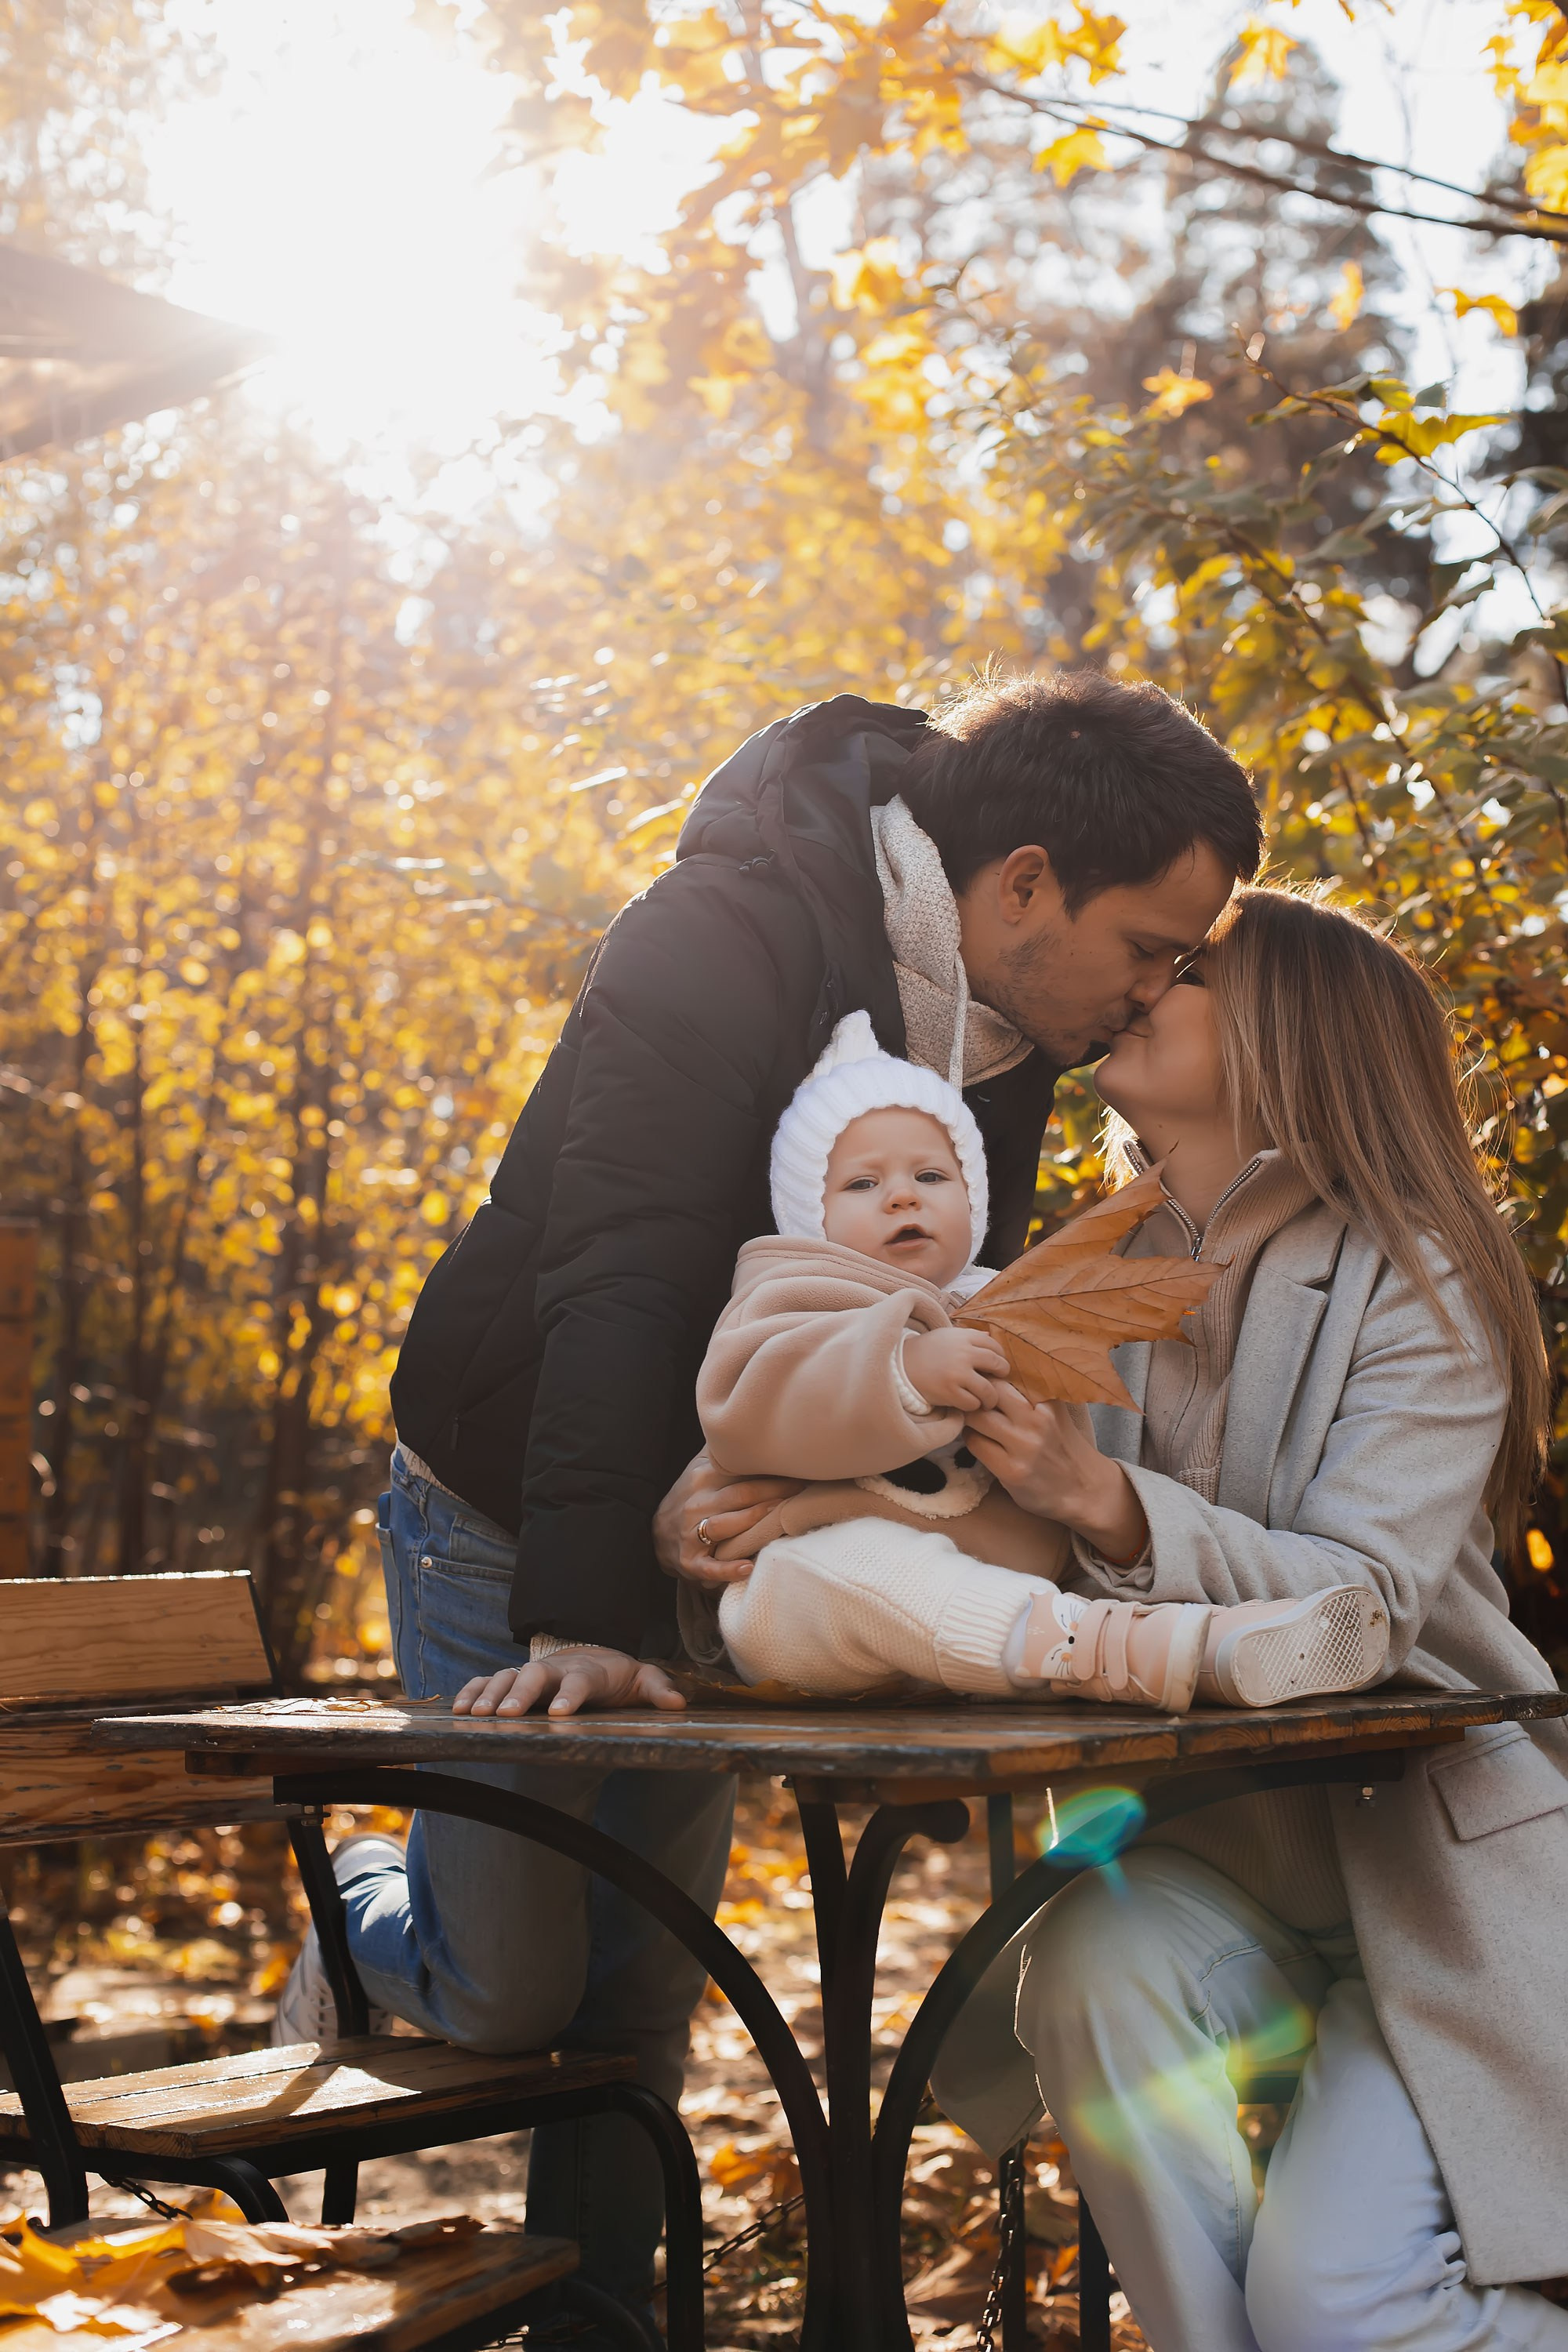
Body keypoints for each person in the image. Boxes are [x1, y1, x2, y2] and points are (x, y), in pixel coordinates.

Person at [270, 670, 1263, 2333]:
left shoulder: (1009, 1030)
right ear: (1024, 881)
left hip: (722, 1518)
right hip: (522, 1496)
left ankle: (605, 2329)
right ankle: (365, 1915)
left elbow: (910, 1324)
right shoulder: (719, 936)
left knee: (645, 1975)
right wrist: (584, 1605)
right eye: (1151, 944)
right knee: (510, 1990)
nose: (1158, 985)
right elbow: (626, 1271)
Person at [925, 886, 1568, 2352]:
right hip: (1203, 1858)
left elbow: (1368, 1600)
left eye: (1191, 968)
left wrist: (1112, 1506)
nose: (1142, 980)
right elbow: (983, 1552)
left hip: (1439, 1879)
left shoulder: (1425, 1272)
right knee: (1082, 1957)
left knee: (1341, 2306)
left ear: (1296, 1031)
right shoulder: (1084, 1271)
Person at [689, 1007, 1388, 1711]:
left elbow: (1060, 1459)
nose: (901, 1194)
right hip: (819, 1587)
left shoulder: (1011, 1302)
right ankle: (1149, 1649)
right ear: (812, 1218)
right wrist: (904, 1371)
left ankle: (1135, 1645)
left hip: (1001, 1607)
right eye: (862, 1185)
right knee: (843, 1573)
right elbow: (749, 1401)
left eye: (931, 1176)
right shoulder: (800, 1293)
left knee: (974, 1594)